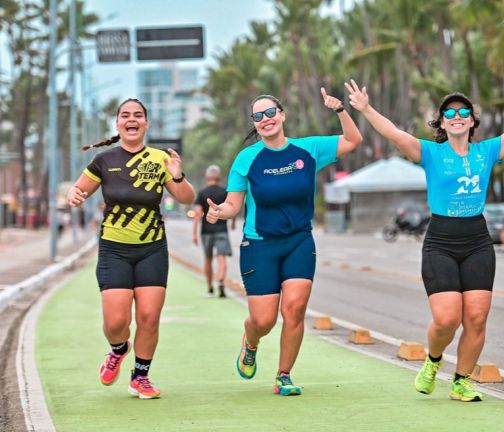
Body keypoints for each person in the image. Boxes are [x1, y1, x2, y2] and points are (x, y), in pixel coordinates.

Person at [346, 71, 504, 402]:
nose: (457, 117)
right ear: (442, 122)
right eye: (450, 113)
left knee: (476, 317)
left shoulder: (487, 151)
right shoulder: (430, 153)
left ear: (472, 121)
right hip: (441, 240)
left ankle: (461, 380)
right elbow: (395, 134)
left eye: (463, 113)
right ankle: (432, 360)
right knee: (446, 319)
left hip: (477, 240)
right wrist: (367, 109)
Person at [204, 89, 362, 396]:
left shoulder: (309, 150)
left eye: (270, 113)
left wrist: (340, 110)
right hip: (259, 245)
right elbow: (233, 205)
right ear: (255, 123)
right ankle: (250, 341)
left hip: (299, 242)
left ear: (282, 114)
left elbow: (353, 140)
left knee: (295, 309)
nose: (266, 120)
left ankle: (284, 375)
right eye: (258, 116)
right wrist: (218, 212)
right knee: (264, 320)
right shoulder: (247, 158)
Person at [67, 98, 195, 399]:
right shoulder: (104, 160)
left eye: (138, 115)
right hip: (114, 249)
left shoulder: (160, 159)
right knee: (116, 323)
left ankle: (140, 376)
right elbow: (79, 188)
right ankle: (118, 349)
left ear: (146, 124)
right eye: (125, 115)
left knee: (149, 317)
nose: (132, 119)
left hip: (152, 248)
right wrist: (74, 195)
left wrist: (177, 174)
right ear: (118, 124)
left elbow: (187, 197)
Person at [193, 165, 235, 297]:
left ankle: (210, 287)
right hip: (222, 229)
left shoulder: (202, 193)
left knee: (208, 259)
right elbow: (232, 207)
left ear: (207, 178)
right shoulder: (225, 191)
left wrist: (194, 233)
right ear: (219, 177)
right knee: (221, 257)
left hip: (206, 231)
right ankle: (221, 281)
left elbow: (197, 214)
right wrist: (232, 223)